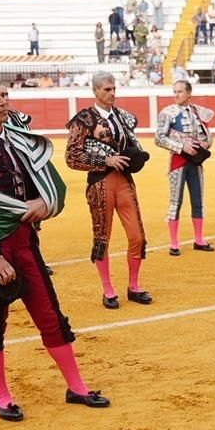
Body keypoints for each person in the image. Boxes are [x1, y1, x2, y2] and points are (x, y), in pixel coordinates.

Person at [0, 76, 109, 420]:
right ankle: (2, 396)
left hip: (25, 243)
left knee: (49, 313)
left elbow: (42, 184)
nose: (3, 102)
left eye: (5, 95)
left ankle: (76, 387)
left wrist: (43, 202)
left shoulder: (17, 139)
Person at [65, 72, 150, 309]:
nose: (112, 93)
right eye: (106, 89)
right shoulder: (83, 120)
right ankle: (108, 289)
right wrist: (106, 161)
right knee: (102, 236)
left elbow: (133, 147)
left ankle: (134, 286)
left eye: (113, 89)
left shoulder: (123, 117)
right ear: (95, 91)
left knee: (137, 236)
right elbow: (71, 157)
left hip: (124, 181)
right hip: (100, 183)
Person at [153, 78, 215, 256]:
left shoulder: (198, 112)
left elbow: (208, 135)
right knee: (175, 202)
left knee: (198, 201)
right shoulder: (168, 113)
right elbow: (159, 138)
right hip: (178, 162)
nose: (176, 95)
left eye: (179, 91)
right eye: (175, 91)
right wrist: (181, 147)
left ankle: (199, 239)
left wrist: (206, 144)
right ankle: (174, 243)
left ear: (189, 93)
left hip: (195, 162)